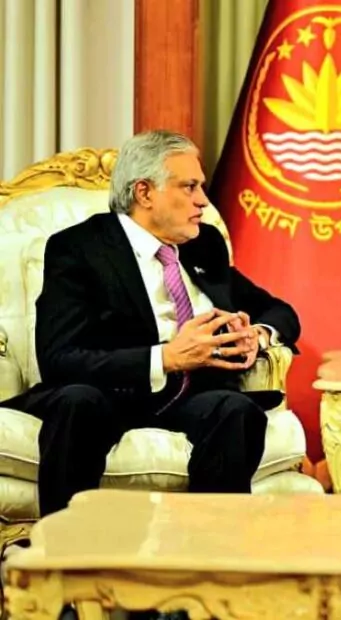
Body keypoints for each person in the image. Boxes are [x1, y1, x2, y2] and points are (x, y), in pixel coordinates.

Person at [1, 130, 300, 517]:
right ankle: (66, 546)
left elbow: (278, 311)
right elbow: (59, 358)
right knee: (77, 402)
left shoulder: (202, 243)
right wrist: (167, 358)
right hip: (109, 393)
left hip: (190, 395)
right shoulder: (79, 249)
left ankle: (211, 545)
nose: (203, 200)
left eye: (200, 187)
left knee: (235, 410)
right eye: (189, 187)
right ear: (144, 193)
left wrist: (256, 336)